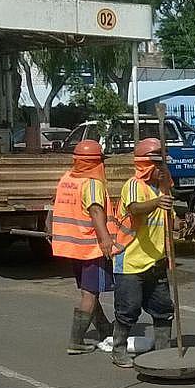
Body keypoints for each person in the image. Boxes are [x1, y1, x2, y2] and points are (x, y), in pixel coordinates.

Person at [109, 138, 175, 368]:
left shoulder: (164, 188)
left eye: (163, 164)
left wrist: (183, 223)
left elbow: (167, 220)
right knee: (128, 309)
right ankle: (119, 350)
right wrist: (157, 202)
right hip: (130, 260)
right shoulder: (134, 185)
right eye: (158, 164)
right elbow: (134, 208)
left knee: (163, 309)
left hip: (156, 261)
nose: (162, 168)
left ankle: (163, 351)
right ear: (146, 165)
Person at [49, 139, 116, 355]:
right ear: (97, 162)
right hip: (91, 247)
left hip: (73, 246)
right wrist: (106, 239)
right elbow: (96, 211)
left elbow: (54, 206)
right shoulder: (92, 184)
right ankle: (76, 341)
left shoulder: (67, 179)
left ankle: (104, 328)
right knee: (90, 294)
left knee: (89, 291)